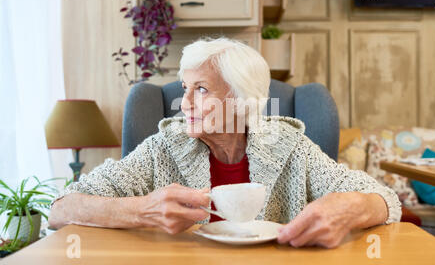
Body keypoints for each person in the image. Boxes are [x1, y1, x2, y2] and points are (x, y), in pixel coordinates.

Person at [49, 37, 401, 248]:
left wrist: (348, 208)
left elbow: (385, 200)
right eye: (185, 89)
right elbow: (61, 209)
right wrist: (144, 210)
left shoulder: (290, 145)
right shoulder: (162, 147)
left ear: (243, 100)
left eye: (200, 89)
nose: (184, 104)